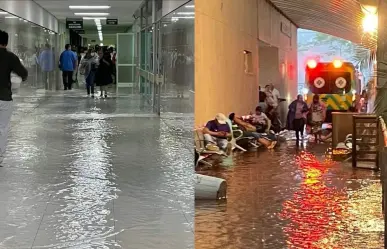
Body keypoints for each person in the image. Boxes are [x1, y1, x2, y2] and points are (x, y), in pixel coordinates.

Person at [0, 30, 28, 164]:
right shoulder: (10, 57)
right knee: (2, 127)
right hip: (4, 97)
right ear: (6, 42)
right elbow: (23, 73)